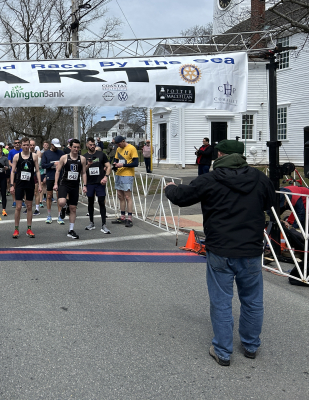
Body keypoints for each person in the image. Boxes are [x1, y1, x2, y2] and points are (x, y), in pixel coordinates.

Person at [165, 139, 275, 367]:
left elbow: (182, 197)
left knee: (221, 301)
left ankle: (223, 351)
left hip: (221, 249)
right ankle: (251, 345)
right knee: (253, 300)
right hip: (251, 248)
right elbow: (272, 202)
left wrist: (169, 188)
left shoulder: (210, 179)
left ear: (222, 155)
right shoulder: (260, 179)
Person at [54, 139, 87, 239]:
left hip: (75, 186)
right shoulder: (64, 158)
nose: (76, 149)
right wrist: (55, 183)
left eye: (78, 147)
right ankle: (64, 208)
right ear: (70, 147)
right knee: (61, 202)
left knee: (73, 208)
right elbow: (58, 171)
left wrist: (85, 185)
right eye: (74, 147)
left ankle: (71, 230)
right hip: (64, 184)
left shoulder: (82, 159)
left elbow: (84, 173)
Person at [10, 138, 42, 238]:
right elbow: (12, 171)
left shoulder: (34, 156)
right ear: (21, 145)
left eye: (27, 145)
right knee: (18, 207)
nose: (26, 147)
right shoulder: (16, 156)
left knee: (29, 206)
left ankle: (29, 228)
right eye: (24, 145)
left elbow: (37, 171)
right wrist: (11, 185)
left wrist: (40, 184)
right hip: (19, 184)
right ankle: (16, 229)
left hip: (30, 184)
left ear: (30, 145)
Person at [84, 138, 112, 234]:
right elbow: (82, 171)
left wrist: (106, 177)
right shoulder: (84, 157)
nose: (92, 146)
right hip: (90, 183)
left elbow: (109, 166)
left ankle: (104, 224)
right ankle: (91, 222)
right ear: (87, 145)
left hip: (100, 182)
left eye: (94, 144)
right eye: (91, 144)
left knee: (101, 202)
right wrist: (88, 165)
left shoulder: (101, 154)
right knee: (90, 202)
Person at [111, 135, 138, 227]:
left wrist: (123, 165)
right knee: (120, 196)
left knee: (127, 196)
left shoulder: (131, 148)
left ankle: (129, 217)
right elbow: (116, 159)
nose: (118, 145)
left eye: (119, 144)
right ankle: (122, 216)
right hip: (118, 174)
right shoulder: (118, 149)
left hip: (127, 174)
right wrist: (115, 164)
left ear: (123, 141)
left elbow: (135, 163)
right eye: (117, 144)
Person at [40, 138, 64, 224]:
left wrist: (60, 165)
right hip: (50, 177)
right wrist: (53, 164)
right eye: (55, 146)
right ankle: (49, 215)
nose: (56, 148)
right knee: (49, 196)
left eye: (58, 146)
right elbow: (43, 165)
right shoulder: (46, 153)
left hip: (60, 177)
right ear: (51, 145)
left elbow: (65, 163)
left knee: (59, 197)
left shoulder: (61, 153)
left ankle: (59, 216)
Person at [8, 139, 22, 207]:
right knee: (13, 186)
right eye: (16, 143)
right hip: (13, 171)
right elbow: (9, 162)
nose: (17, 144)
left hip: (21, 171)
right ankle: (14, 201)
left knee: (21, 186)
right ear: (14, 144)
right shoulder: (11, 152)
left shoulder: (22, 150)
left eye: (18, 143)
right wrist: (14, 166)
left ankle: (21, 200)